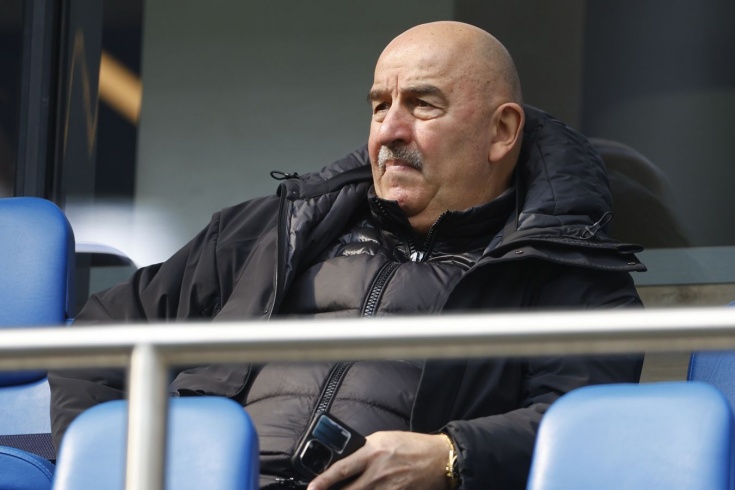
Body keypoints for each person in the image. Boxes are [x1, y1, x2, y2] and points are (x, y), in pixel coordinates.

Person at [49, 21, 645, 490]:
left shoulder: (571, 272)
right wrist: (121, 465)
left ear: (502, 132)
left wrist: (449, 456)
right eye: (380, 105)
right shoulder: (272, 229)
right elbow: (104, 332)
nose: (389, 131)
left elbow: (585, 425)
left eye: (423, 104)